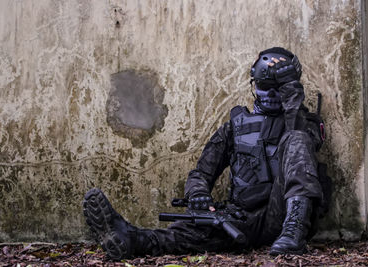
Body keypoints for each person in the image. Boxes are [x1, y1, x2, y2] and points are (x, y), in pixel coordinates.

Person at [83, 47, 327, 260]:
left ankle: (294, 232)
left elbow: (302, 147)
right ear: (254, 86)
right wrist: (198, 194)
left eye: (279, 88)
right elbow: (200, 173)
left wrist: (292, 95)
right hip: (240, 218)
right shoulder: (235, 126)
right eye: (266, 86)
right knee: (184, 234)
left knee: (296, 138)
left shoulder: (305, 122)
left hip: (281, 216)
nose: (272, 94)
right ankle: (130, 238)